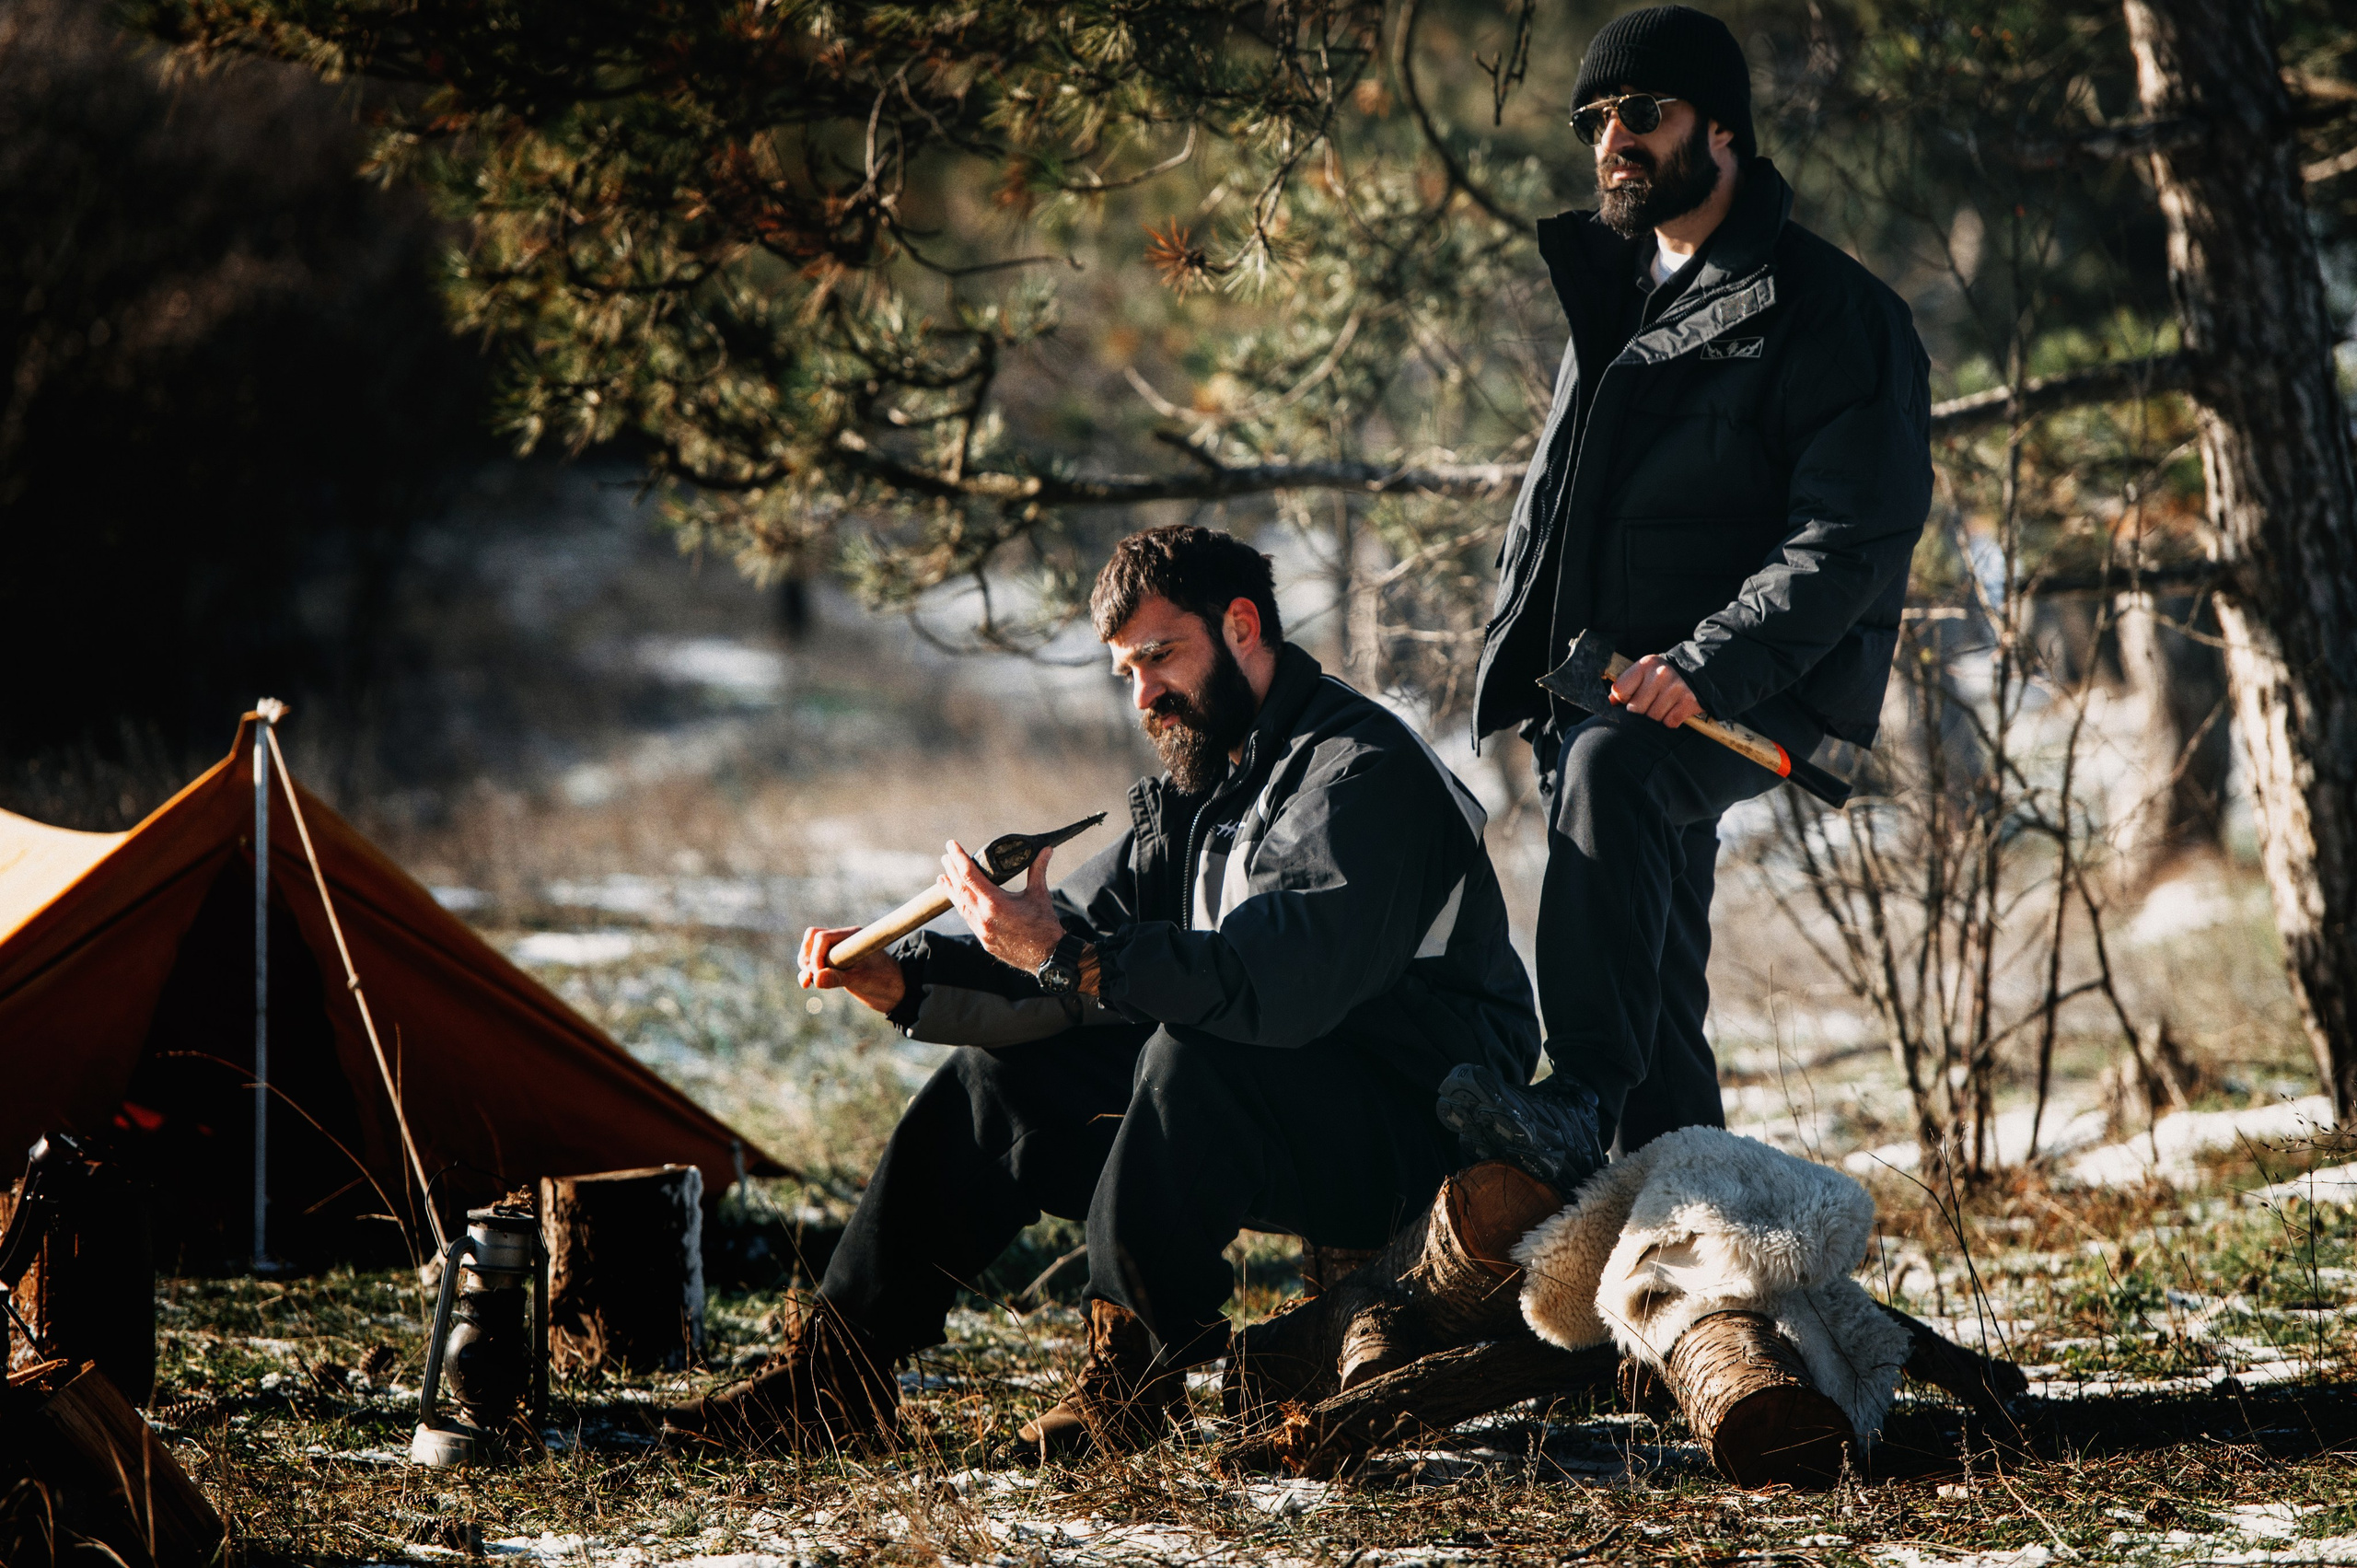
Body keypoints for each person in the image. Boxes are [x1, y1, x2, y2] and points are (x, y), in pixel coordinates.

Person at [663, 524, 1542, 1458]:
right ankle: (835, 1374)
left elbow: (1277, 986)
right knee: (1001, 1079)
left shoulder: (1362, 773)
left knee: (1188, 1048)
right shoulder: (1212, 776)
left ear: (1242, 626)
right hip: (1278, 1101)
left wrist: (1071, 956)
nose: (1143, 694)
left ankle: (1130, 1379)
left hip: (1423, 1136)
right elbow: (1080, 940)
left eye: (1161, 655)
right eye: (1127, 670)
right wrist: (910, 976)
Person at [1440, 5, 1932, 1171]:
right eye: (1593, 120)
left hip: (1753, 688)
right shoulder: (1614, 288)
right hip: (1609, 683)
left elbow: (1845, 541)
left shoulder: (1833, 311)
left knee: (1617, 775)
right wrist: (1537, 664)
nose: (1613, 138)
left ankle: (1578, 1094)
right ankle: (1688, 1210)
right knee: (1652, 985)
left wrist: (1702, 667)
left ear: (1720, 129)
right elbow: (1563, 504)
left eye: (1641, 111)